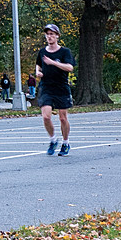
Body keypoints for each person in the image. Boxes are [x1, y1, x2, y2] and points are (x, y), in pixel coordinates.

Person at [35, 24, 77, 156]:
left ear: (57, 36)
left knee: (63, 118)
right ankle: (53, 140)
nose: (49, 36)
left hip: (61, 87)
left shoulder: (65, 52)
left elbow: (70, 68)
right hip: (46, 87)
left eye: (52, 34)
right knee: (46, 116)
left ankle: (65, 143)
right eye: (47, 34)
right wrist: (38, 72)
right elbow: (38, 64)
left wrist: (53, 63)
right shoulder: (42, 52)